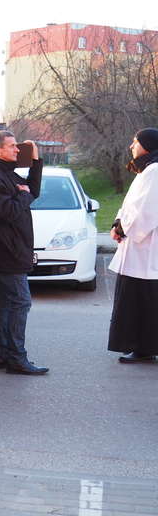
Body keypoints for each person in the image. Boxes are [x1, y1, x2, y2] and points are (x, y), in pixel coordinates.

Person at [0, 131, 47, 375]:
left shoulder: (7, 173)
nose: (17, 149)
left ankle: (3, 355)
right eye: (11, 146)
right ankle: (16, 358)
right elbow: (8, 212)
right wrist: (22, 194)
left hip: (11, 250)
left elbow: (33, 192)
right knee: (20, 302)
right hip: (7, 252)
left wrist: (36, 161)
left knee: (6, 304)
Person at [108, 128, 158, 363]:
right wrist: (117, 223)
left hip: (146, 249)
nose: (131, 146)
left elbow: (145, 211)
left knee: (142, 299)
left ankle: (143, 347)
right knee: (137, 297)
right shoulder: (147, 169)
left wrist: (121, 229)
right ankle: (141, 345)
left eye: (135, 142)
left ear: (147, 145)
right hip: (138, 248)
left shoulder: (155, 171)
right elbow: (130, 204)